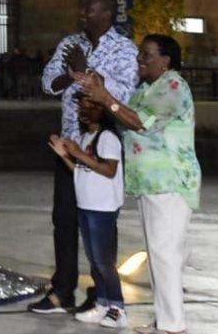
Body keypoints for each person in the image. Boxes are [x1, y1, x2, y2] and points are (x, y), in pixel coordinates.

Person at [79, 33, 200, 334]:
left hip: (170, 183)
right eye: (140, 54)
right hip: (151, 185)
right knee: (159, 254)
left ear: (165, 60)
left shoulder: (172, 85)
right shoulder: (147, 90)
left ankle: (173, 325)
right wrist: (102, 94)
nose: (140, 60)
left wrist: (106, 97)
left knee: (166, 255)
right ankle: (166, 320)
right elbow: (125, 118)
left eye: (146, 54)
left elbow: (142, 123)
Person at [29, 0, 138, 315]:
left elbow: (123, 93)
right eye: (83, 7)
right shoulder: (69, 43)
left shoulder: (124, 49)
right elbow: (49, 82)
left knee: (99, 224)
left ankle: (101, 293)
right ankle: (62, 291)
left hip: (102, 147)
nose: (82, 13)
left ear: (107, 13)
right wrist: (72, 74)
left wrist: (86, 71)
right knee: (64, 220)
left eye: (89, 9)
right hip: (69, 145)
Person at [49, 98, 128, 329]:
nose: (84, 111)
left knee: (105, 262)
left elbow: (109, 169)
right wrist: (64, 154)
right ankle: (102, 304)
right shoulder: (86, 138)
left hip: (102, 207)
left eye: (90, 106)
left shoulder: (108, 138)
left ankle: (118, 307)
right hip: (86, 204)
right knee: (94, 261)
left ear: (102, 111)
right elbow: (80, 171)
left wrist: (78, 153)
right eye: (81, 106)